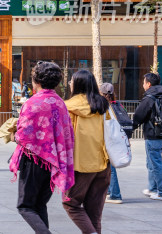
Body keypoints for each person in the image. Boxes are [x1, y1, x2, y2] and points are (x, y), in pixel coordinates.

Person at [9, 61, 74, 234]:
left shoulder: (33, 103)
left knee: (25, 206)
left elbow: (22, 136)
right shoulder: (60, 103)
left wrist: (13, 135)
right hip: (53, 162)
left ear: (36, 81)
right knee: (40, 204)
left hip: (33, 160)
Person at [63, 69, 110, 234]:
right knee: (94, 214)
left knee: (70, 203)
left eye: (71, 81)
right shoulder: (103, 105)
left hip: (80, 165)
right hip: (104, 164)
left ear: (77, 84)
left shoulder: (68, 107)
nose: (69, 83)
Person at [132, 72, 162, 201]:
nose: (143, 84)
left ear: (148, 84)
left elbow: (138, 117)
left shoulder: (149, 98)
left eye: (144, 82)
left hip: (153, 135)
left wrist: (128, 131)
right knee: (151, 162)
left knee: (155, 164)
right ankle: (152, 188)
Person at [100, 82, 132, 205]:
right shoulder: (117, 104)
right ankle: (109, 192)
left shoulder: (104, 106)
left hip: (109, 139)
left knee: (110, 168)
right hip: (119, 138)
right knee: (109, 166)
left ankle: (115, 194)